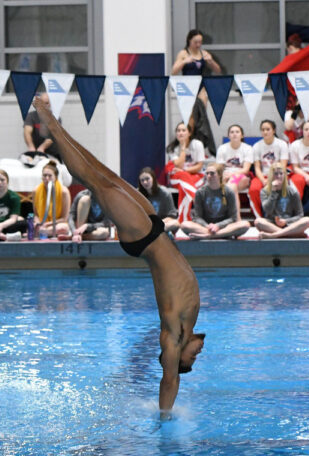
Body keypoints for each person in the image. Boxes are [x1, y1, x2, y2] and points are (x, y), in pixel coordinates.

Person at [33, 96, 204, 415]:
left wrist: (165, 416)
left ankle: (50, 124)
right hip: (154, 226)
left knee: (93, 182)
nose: (198, 354)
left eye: (191, 359)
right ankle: (57, 124)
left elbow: (169, 380)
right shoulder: (190, 323)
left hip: (144, 237)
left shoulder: (172, 338)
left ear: (179, 355)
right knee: (101, 171)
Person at [180, 163, 250, 240]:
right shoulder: (200, 192)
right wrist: (208, 226)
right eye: (207, 173)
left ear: (220, 175)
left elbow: (233, 218)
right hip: (207, 227)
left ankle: (209, 236)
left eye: (212, 173)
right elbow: (197, 217)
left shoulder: (229, 192)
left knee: (245, 224)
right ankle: (222, 235)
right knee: (184, 225)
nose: (209, 176)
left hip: (224, 227)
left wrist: (218, 226)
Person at [254, 164, 309, 239]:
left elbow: (300, 215)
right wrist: (273, 192)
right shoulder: (264, 191)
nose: (279, 176)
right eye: (276, 174)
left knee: (307, 220)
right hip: (272, 223)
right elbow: (267, 210)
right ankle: (291, 234)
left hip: (289, 223)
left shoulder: (292, 191)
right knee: (258, 222)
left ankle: (274, 235)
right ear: (271, 176)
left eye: (281, 173)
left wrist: (286, 221)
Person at [248, 120, 289, 218]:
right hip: (263, 176)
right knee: (253, 189)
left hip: (278, 175)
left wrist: (274, 179)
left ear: (274, 130)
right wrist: (263, 180)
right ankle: (259, 216)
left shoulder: (282, 144)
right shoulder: (257, 146)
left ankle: (281, 215)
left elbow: (283, 166)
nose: (265, 132)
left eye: (268, 129)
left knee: (282, 188)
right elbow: (257, 167)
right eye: (263, 130)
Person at [165, 122, 205, 223]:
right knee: (183, 177)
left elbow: (199, 166)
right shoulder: (172, 148)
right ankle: (198, 202)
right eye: (178, 131)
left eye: (183, 130)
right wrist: (183, 148)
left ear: (189, 133)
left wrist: (184, 170)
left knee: (184, 187)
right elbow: (178, 165)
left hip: (196, 175)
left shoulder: (197, 144)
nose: (180, 133)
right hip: (177, 177)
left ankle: (183, 219)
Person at [171, 29, 222, 105]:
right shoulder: (183, 53)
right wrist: (184, 62)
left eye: (200, 42)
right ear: (189, 40)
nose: (198, 45)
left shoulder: (204, 53)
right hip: (187, 87)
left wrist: (211, 62)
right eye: (195, 42)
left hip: (200, 86)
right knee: (190, 115)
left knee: (202, 112)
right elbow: (173, 72)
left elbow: (218, 71)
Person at [33, 160, 71, 239]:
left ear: (56, 177)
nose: (47, 178)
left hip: (56, 224)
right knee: (31, 225)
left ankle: (43, 232)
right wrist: (38, 223)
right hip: (41, 224)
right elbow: (36, 215)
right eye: (44, 175)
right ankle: (43, 231)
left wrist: (47, 224)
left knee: (63, 228)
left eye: (50, 176)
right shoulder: (36, 191)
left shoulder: (64, 192)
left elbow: (64, 218)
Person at [138, 167, 179, 234]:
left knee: (175, 223)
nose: (145, 182)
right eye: (142, 180)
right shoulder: (138, 194)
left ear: (153, 178)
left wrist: (157, 224)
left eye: (147, 179)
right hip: (145, 225)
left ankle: (154, 232)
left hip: (162, 224)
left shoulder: (165, 193)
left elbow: (172, 216)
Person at [216, 124, 253, 196]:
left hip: (241, 175)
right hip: (225, 175)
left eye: (237, 132)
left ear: (242, 135)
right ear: (228, 135)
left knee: (231, 186)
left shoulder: (248, 148)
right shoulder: (222, 148)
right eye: (232, 132)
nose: (234, 134)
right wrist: (222, 177)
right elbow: (219, 168)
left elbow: (245, 170)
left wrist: (231, 175)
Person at [23, 92, 61, 161]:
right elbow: (27, 132)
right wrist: (31, 147)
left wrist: (42, 147)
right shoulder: (31, 116)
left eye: (46, 103)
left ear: (50, 104)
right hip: (35, 151)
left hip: (53, 153)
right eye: (42, 103)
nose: (44, 105)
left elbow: (53, 135)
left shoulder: (56, 118)